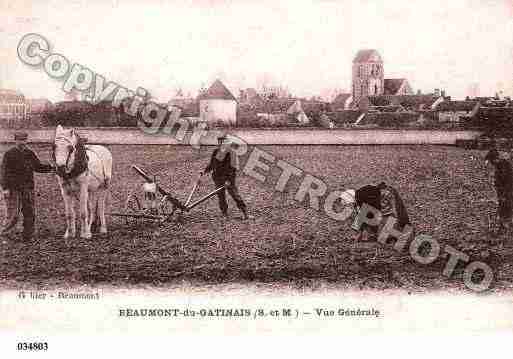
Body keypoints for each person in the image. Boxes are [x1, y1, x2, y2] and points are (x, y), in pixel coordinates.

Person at [0, 131, 55, 241]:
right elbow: (3, 172)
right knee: (13, 214)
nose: (22, 142)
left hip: (28, 187)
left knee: (29, 212)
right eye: (19, 140)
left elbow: (38, 167)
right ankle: (5, 234)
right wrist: (5, 188)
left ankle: (28, 235)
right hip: (13, 188)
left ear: (27, 140)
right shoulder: (9, 154)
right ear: (15, 141)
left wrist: (51, 167)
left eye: (24, 140)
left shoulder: (30, 153)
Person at [200, 134, 248, 220]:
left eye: (223, 141)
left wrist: (229, 180)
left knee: (234, 195)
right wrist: (204, 171)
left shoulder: (232, 153)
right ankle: (224, 213)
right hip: (217, 178)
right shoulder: (216, 152)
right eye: (219, 142)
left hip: (228, 179)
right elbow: (212, 164)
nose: (221, 143)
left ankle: (244, 212)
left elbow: (233, 169)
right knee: (221, 196)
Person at [485, 148, 513, 235]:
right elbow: (499, 181)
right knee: (503, 207)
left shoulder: (504, 165)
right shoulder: (499, 165)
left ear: (495, 158)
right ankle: (504, 226)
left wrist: (504, 194)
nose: (491, 164)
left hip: (508, 191)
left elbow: (508, 181)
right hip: (503, 191)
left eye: (491, 161)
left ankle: (505, 227)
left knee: (506, 207)